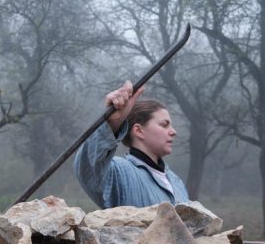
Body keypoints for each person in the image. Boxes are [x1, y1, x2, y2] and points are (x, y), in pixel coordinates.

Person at [74, 80, 189, 209]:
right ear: (139, 131)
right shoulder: (120, 172)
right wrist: (112, 122)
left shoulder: (176, 181)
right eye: (164, 124)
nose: (173, 132)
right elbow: (89, 167)